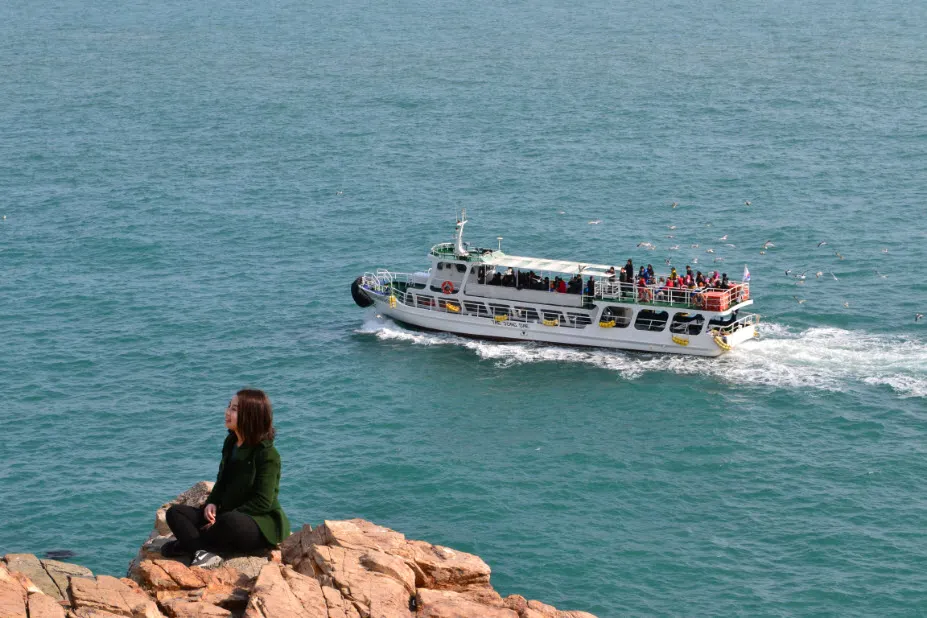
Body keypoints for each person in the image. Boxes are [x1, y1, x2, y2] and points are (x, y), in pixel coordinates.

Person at [161, 389, 290, 568]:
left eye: (234, 409)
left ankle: (191, 544)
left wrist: (222, 519)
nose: (227, 412)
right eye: (229, 406)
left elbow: (263, 502)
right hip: (225, 515)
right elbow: (222, 481)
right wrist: (212, 503)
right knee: (175, 513)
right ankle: (200, 551)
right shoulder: (231, 443)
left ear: (250, 416)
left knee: (231, 522)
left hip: (256, 523)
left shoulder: (267, 454)